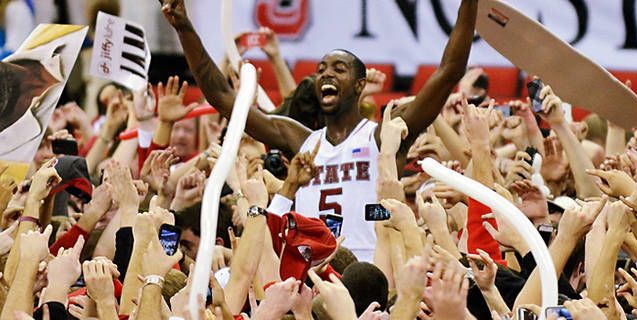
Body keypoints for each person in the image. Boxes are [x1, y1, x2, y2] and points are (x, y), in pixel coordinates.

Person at [158, 0, 478, 261]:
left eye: (339, 69)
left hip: (372, 272)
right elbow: (224, 99)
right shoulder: (301, 141)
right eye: (321, 69)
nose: (326, 74)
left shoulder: (383, 137)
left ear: (360, 85)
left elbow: (448, 72)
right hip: (309, 277)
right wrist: (184, 27)